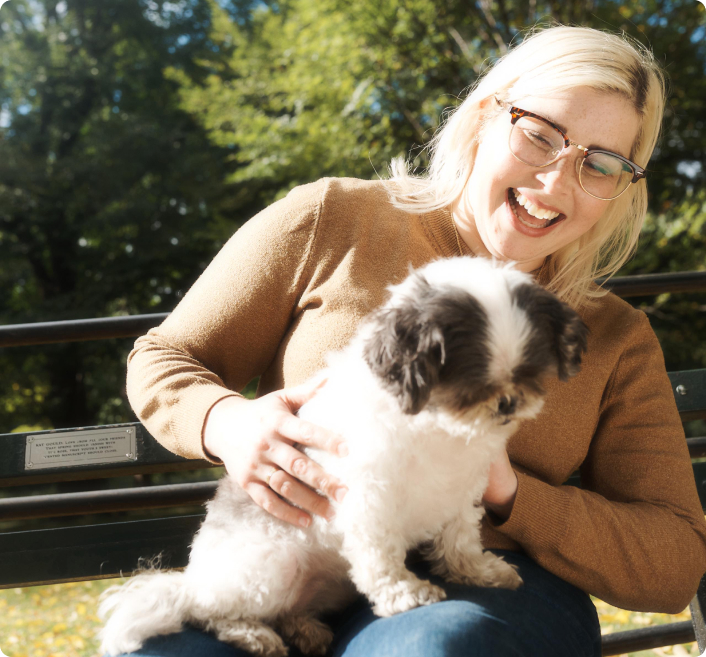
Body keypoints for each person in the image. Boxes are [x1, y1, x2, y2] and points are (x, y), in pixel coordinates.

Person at [119, 25, 706, 657]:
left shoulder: (616, 335)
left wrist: (508, 493)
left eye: (601, 163)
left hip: (485, 593)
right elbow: (164, 358)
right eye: (539, 135)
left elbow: (672, 560)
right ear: (485, 117)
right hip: (292, 558)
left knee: (436, 647)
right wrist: (227, 423)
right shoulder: (333, 219)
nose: (555, 182)